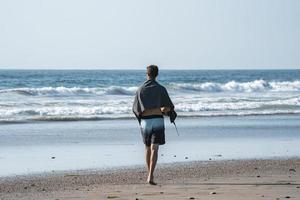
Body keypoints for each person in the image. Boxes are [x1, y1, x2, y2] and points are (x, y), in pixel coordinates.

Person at [133, 65, 175, 185]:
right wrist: (163, 110)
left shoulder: (140, 89)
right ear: (157, 75)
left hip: (145, 122)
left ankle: (149, 174)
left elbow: (137, 110)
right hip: (157, 120)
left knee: (147, 148)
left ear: (147, 74)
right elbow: (167, 108)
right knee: (154, 148)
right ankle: (151, 175)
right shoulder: (161, 89)